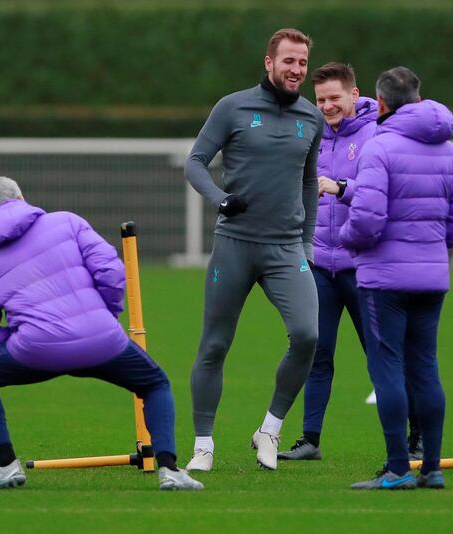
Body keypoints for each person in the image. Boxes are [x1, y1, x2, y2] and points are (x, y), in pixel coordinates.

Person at [0, 177, 203, 491]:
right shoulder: (66, 221)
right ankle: (170, 470)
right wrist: (104, 315)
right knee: (154, 383)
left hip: (35, 351)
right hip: (102, 339)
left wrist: (23, 340)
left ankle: (6, 464)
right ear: (20, 196)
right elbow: (111, 271)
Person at [183, 28, 323, 471]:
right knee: (214, 346)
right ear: (269, 63)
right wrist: (219, 199)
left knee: (307, 336)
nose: (296, 70)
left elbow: (308, 182)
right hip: (235, 245)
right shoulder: (233, 107)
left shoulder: (311, 117)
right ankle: (203, 445)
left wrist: (306, 243)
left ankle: (270, 429)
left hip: (286, 249)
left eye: (302, 63)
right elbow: (195, 163)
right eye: (289, 62)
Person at [278, 62, 424, 461]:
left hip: (363, 267)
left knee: (381, 354)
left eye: (334, 98)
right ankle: (310, 440)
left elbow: (388, 193)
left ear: (355, 94)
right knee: (315, 352)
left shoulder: (378, 134)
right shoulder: (309, 134)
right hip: (319, 264)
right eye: (320, 99)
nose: (326, 106)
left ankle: (416, 436)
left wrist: (342, 188)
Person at [340, 68, 453, 490]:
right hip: (431, 278)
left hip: (384, 280)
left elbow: (365, 219)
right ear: (419, 99)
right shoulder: (450, 151)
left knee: (387, 371)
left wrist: (348, 241)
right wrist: (430, 246)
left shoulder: (379, 148)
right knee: (426, 369)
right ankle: (431, 468)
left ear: (380, 103)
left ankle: (398, 468)